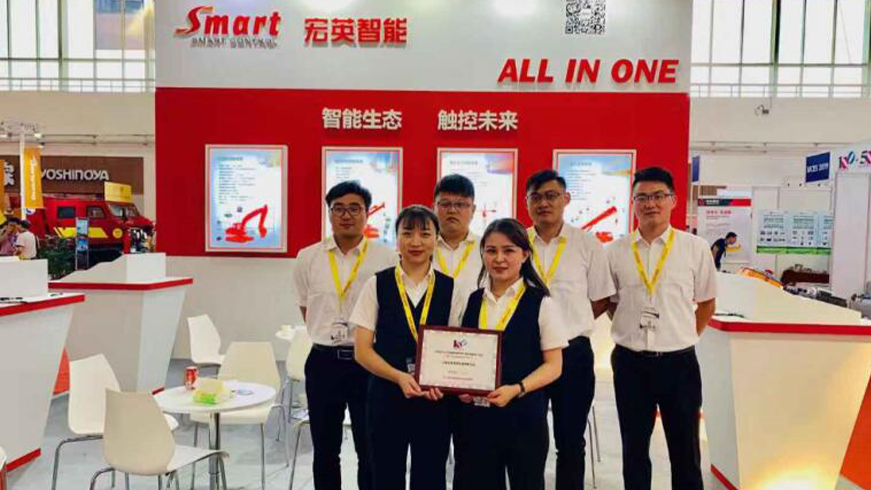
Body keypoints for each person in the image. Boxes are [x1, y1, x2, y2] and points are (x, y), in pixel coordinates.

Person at [607, 166, 717, 490]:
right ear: (633, 203)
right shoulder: (615, 251)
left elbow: (707, 303)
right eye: (642, 197)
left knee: (685, 451)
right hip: (630, 363)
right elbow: (612, 303)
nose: (650, 204)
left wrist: (681, 336)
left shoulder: (695, 248)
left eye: (658, 196)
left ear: (673, 200)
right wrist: (631, 329)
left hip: (679, 363)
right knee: (634, 450)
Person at [352, 205, 465, 490]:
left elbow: (457, 348)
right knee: (385, 475)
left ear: (436, 239)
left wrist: (445, 381)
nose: (416, 242)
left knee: (431, 476)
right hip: (386, 395)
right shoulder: (377, 284)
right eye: (407, 233)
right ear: (396, 239)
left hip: (434, 399)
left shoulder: (451, 288)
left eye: (425, 234)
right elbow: (362, 350)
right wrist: (399, 377)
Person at [293, 181, 397, 490]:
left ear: (367, 213)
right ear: (329, 213)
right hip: (323, 362)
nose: (346, 215)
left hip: (368, 363)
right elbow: (306, 307)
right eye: (338, 208)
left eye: (354, 208)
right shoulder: (308, 257)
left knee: (370, 447)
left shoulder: (386, 258)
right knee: (325, 449)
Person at [455, 218, 568, 489]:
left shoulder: (542, 303)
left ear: (525, 254)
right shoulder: (473, 300)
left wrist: (517, 389)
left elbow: (554, 366)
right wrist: (460, 385)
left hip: (524, 417)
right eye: (491, 250)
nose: (499, 259)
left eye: (508, 250)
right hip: (477, 418)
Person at [525, 169, 615, 489]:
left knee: (571, 439)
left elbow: (602, 297)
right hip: (527, 353)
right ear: (527, 203)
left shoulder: (587, 244)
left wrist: (568, 326)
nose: (543, 203)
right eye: (536, 197)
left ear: (566, 199)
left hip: (573, 352)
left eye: (551, 196)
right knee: (527, 437)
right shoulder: (517, 242)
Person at [431, 173, 482, 490]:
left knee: (470, 449)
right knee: (431, 448)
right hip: (430, 359)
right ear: (434, 206)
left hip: (472, 360)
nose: (452, 210)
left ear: (473, 209)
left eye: (461, 204)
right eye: (445, 203)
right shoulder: (420, 245)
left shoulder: (487, 248)